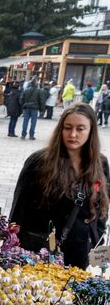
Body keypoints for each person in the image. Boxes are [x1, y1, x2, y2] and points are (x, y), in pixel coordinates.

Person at [10, 103, 109, 268]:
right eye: (67, 127)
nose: (73, 134)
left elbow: (103, 206)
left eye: (80, 129)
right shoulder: (39, 162)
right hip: (42, 253)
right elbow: (19, 211)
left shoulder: (101, 163)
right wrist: (13, 246)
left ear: (91, 130)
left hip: (80, 252)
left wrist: (97, 235)